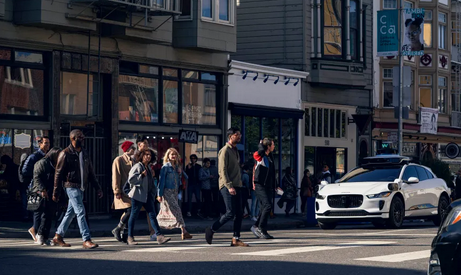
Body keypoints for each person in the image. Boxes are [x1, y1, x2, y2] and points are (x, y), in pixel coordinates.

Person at [52, 129, 103, 249]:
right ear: (73, 139)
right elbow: (58, 174)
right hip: (71, 187)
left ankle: (58, 236)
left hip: (81, 188)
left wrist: (98, 188)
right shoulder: (65, 153)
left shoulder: (84, 153)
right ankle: (86, 239)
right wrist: (56, 192)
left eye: (83, 136)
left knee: (70, 213)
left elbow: (90, 172)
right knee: (80, 212)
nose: (83, 138)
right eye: (80, 137)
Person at [205, 127, 248, 247]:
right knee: (230, 212)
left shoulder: (235, 150)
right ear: (230, 136)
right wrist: (229, 186)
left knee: (239, 213)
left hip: (237, 185)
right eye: (237, 134)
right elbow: (222, 170)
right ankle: (211, 229)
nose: (239, 136)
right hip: (227, 185)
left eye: (240, 134)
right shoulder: (224, 151)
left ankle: (236, 238)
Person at [126, 148, 171, 245]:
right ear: (141, 156)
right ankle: (130, 237)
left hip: (147, 195)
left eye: (150, 155)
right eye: (146, 154)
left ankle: (159, 236)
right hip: (138, 195)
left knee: (152, 215)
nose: (148, 156)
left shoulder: (148, 168)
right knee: (134, 215)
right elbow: (131, 179)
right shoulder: (138, 166)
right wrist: (141, 176)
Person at [157, 148, 193, 240]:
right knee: (177, 209)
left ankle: (183, 231)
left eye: (175, 154)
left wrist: (181, 171)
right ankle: (184, 230)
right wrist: (159, 194)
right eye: (172, 154)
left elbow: (186, 177)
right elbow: (161, 182)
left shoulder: (177, 167)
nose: (173, 156)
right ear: (168, 156)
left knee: (172, 211)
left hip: (175, 191)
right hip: (167, 191)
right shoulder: (165, 167)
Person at [22, 136, 50, 241]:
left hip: (44, 186)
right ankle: (36, 230)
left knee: (43, 210)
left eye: (48, 143)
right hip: (35, 186)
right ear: (40, 144)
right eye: (45, 143)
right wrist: (35, 176)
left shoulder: (47, 156)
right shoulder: (34, 156)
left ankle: (37, 230)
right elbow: (25, 171)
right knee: (38, 209)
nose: (47, 145)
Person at [31, 147, 62, 245]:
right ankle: (40, 235)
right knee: (44, 215)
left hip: (51, 191)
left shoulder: (54, 164)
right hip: (42, 192)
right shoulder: (43, 163)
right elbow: (37, 177)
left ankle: (45, 236)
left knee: (49, 215)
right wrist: (42, 190)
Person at [251, 138, 276, 239]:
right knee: (267, 205)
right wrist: (261, 145)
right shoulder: (261, 157)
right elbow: (256, 154)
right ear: (268, 146)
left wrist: (275, 185)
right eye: (272, 145)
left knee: (264, 208)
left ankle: (256, 226)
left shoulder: (270, 157)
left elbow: (272, 173)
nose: (274, 146)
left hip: (268, 186)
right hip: (259, 185)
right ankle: (261, 228)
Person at [111, 141, 135, 243]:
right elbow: (116, 175)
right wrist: (117, 190)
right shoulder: (119, 160)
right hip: (122, 190)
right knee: (130, 210)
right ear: (127, 149)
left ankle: (125, 234)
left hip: (132, 191)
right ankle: (118, 228)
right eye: (132, 147)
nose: (134, 149)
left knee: (130, 212)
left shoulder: (133, 161)